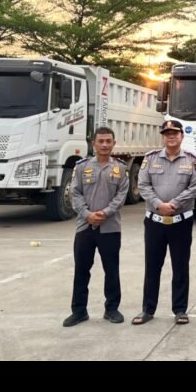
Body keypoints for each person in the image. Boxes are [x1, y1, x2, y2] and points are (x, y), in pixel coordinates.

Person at [132, 119, 196, 326]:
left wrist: (174, 204)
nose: (171, 137)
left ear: (182, 136)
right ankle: (148, 309)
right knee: (152, 267)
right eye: (167, 134)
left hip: (181, 222)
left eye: (175, 133)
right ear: (163, 137)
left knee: (180, 267)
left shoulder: (192, 160)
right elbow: (143, 185)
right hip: (155, 222)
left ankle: (180, 310)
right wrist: (158, 204)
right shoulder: (150, 159)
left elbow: (195, 187)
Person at [63, 127, 129, 327]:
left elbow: (121, 196)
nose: (105, 145)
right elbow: (75, 193)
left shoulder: (120, 168)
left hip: (110, 228)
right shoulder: (82, 167)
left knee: (112, 270)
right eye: (101, 141)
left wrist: (105, 213)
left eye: (108, 141)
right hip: (85, 227)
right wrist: (87, 215)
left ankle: (112, 309)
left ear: (114, 144)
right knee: (81, 270)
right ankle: (79, 311)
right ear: (94, 143)